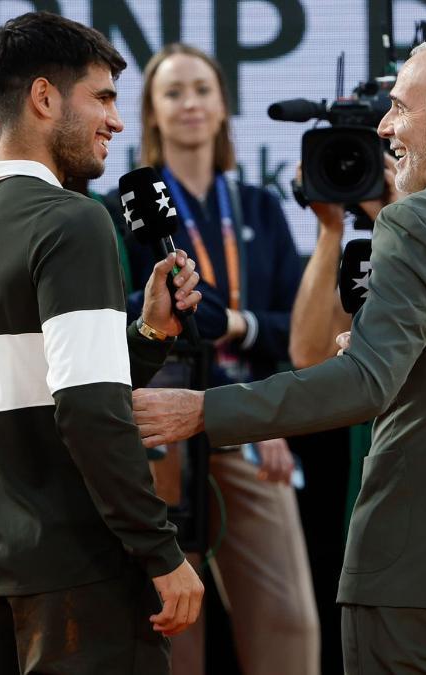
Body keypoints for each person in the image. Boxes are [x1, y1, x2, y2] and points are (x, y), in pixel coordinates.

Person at [135, 40, 426, 673]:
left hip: (420, 573)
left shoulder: (416, 222)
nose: (384, 127)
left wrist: (203, 410)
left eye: (400, 108)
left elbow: (363, 385)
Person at [0, 13, 204, 674]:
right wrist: (161, 551)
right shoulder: (74, 221)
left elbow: (42, 390)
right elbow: (86, 410)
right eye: (102, 98)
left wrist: (149, 334)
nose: (116, 120)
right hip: (77, 576)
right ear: (46, 98)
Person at [98, 43, 318, 675]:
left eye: (201, 89)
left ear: (224, 105)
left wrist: (255, 395)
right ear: (152, 114)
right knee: (172, 635)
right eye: (172, 92)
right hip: (162, 437)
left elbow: (293, 330)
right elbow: (147, 329)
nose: (189, 103)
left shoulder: (259, 206)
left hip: (251, 434)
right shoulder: (125, 211)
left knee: (289, 628)